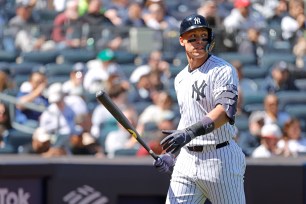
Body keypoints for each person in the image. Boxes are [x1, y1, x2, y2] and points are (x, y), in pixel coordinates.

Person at [153, 14, 246, 204]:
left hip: (220, 158)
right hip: (187, 160)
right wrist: (172, 155)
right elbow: (188, 117)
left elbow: (225, 111)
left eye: (203, 36)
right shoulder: (180, 78)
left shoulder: (223, 70)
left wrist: (189, 133)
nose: (199, 42)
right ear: (182, 41)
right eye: (192, 37)